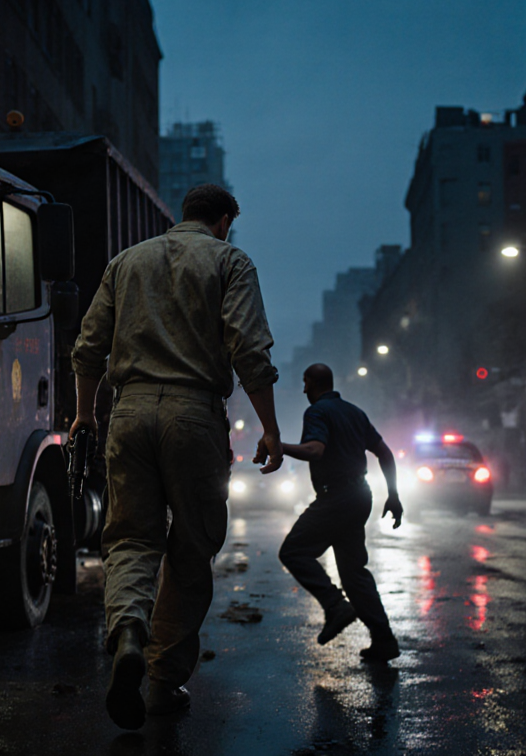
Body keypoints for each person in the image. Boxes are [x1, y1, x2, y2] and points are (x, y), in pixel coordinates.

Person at [70, 183, 284, 730]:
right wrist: (271, 429)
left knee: (131, 540)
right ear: (224, 221)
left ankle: (129, 639)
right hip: (194, 417)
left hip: (130, 412)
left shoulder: (126, 262)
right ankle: (163, 683)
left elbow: (89, 345)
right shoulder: (231, 261)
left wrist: (85, 415)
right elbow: (249, 349)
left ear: (182, 216)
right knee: (190, 550)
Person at [278, 363, 403, 662]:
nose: (304, 389)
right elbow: (384, 452)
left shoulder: (318, 412)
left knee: (293, 552)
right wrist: (394, 496)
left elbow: (315, 450)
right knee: (353, 573)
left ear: (313, 383)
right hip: (360, 496)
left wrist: (278, 446)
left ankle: (335, 605)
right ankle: (384, 641)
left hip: (337, 498)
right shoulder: (354, 412)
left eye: (305, 383)